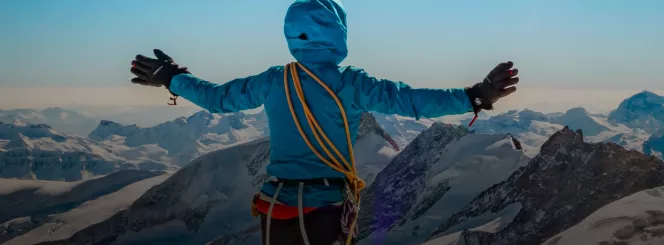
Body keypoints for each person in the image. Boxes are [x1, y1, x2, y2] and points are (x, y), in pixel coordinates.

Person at [126, 0, 519, 244]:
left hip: (275, 210)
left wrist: (170, 77)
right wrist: (476, 96)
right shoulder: (352, 84)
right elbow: (411, 100)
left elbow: (216, 99)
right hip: (328, 212)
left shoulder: (273, 81)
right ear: (338, 33)